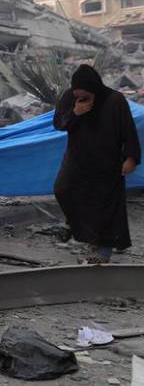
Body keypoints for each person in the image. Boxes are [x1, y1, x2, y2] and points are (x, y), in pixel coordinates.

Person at [53, 64, 141, 263]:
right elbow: (59, 124)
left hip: (107, 162)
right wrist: (75, 113)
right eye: (77, 93)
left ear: (94, 88)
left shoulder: (114, 100)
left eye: (84, 94)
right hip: (77, 158)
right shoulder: (69, 98)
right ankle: (77, 227)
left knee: (106, 206)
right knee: (62, 189)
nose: (80, 97)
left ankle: (104, 250)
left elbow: (128, 130)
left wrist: (131, 158)